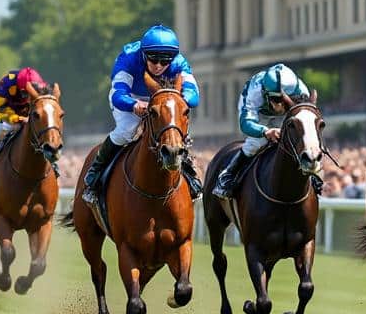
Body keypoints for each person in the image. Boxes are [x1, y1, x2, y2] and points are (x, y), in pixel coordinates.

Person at [81, 24, 202, 204]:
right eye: (154, 60)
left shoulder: (179, 62)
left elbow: (193, 95)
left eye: (165, 61)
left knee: (175, 129)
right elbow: (118, 95)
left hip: (164, 96)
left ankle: (188, 172)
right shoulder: (128, 58)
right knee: (126, 130)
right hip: (132, 96)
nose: (159, 66)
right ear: (144, 54)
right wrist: (134, 104)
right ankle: (97, 170)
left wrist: (178, 99)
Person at [212, 63, 321, 199]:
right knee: (256, 143)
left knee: (301, 137)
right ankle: (227, 175)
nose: (280, 105)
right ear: (265, 93)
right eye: (276, 99)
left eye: (286, 99)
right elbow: (245, 124)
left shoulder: (301, 91)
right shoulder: (255, 92)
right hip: (260, 112)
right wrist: (265, 131)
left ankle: (314, 174)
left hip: (289, 113)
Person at [0, 67, 47, 176]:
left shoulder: (42, 87)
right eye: (25, 94)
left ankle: (51, 163)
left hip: (26, 115)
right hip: (3, 111)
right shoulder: (7, 82)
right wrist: (16, 118)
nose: (28, 98)